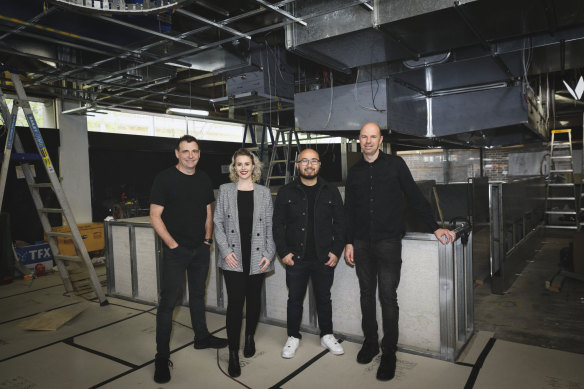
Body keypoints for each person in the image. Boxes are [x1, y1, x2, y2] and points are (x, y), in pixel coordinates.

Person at [344, 122, 456, 381]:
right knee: (366, 295)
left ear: (380, 140)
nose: (368, 141)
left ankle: (389, 352)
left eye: (373, 137)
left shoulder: (395, 165)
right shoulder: (355, 172)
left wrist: (435, 227)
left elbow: (415, 197)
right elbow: (349, 209)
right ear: (359, 140)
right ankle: (370, 343)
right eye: (364, 137)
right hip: (361, 242)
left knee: (387, 296)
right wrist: (348, 241)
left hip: (388, 243)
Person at [149, 135, 228, 384]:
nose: (190, 155)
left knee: (197, 295)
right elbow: (154, 216)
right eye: (185, 151)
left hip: (200, 249)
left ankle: (201, 337)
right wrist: (172, 245)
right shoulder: (164, 179)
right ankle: (162, 357)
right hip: (176, 251)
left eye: (194, 151)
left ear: (199, 153)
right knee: (168, 302)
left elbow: (207, 210)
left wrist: (207, 239)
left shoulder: (204, 178)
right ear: (177, 153)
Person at [273, 148, 346, 359]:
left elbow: (341, 224)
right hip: (296, 258)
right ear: (298, 165)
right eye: (304, 161)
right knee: (294, 299)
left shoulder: (331, 191)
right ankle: (293, 337)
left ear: (319, 165)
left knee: (324, 298)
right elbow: (277, 225)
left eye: (314, 160)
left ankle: (326, 334)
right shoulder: (286, 191)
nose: (309, 165)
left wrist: (336, 251)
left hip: (324, 258)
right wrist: (284, 252)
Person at [213, 148, 276, 377]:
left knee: (254, 299)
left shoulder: (264, 192)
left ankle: (249, 336)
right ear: (234, 167)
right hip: (234, 257)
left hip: (257, 256)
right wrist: (226, 250)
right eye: (238, 164)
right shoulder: (225, 190)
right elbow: (217, 222)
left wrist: (269, 253)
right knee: (235, 303)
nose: (243, 168)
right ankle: (232, 352)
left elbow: (271, 226)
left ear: (254, 166)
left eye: (247, 164)